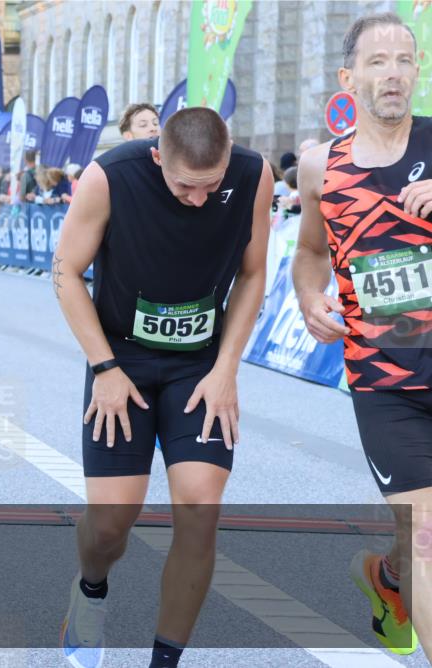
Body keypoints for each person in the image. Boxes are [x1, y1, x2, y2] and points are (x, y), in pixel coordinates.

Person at [53, 106, 272, 668]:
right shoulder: (110, 176)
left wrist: (227, 369)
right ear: (157, 156)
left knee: (199, 507)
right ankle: (91, 590)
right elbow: (65, 271)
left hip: (199, 363)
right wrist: (103, 369)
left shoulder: (253, 175)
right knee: (109, 526)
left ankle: (164, 661)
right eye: (183, 186)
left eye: (210, 186)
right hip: (120, 357)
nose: (198, 199)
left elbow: (252, 273)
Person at [293, 12, 431, 657]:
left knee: (415, 547)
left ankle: (388, 577)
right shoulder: (322, 166)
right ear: (350, 78)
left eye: (404, 59)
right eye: (378, 62)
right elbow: (312, 254)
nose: (394, 73)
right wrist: (307, 297)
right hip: (386, 381)